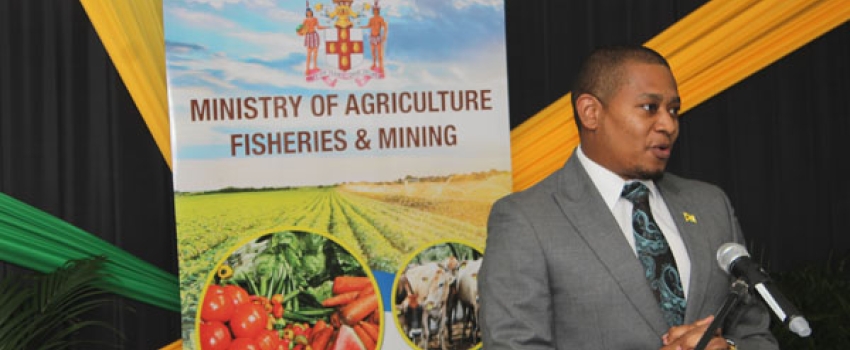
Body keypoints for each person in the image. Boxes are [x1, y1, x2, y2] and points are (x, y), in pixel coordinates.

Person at [478, 45, 778, 350]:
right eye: (650, 108)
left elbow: (755, 335)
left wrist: (729, 348)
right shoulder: (526, 220)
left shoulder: (711, 205)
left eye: (674, 110)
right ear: (590, 112)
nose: (669, 125)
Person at [298, 8, 327, 75]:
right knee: (309, 53)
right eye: (308, 12)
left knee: (315, 52)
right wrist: (300, 33)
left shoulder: (315, 19)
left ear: (311, 12)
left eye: (310, 11)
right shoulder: (305, 20)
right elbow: (301, 29)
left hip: (314, 35)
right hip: (308, 36)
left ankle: (315, 66)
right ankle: (307, 68)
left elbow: (318, 27)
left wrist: (326, 27)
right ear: (306, 13)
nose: (309, 13)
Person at [361, 4, 388, 72]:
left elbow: (385, 27)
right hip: (372, 37)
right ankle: (374, 64)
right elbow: (368, 26)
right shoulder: (371, 19)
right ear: (373, 11)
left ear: (378, 11)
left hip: (378, 37)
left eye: (376, 10)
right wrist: (361, 27)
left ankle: (381, 67)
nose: (375, 11)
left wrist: (384, 35)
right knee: (373, 53)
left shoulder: (380, 18)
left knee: (380, 53)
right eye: (374, 10)